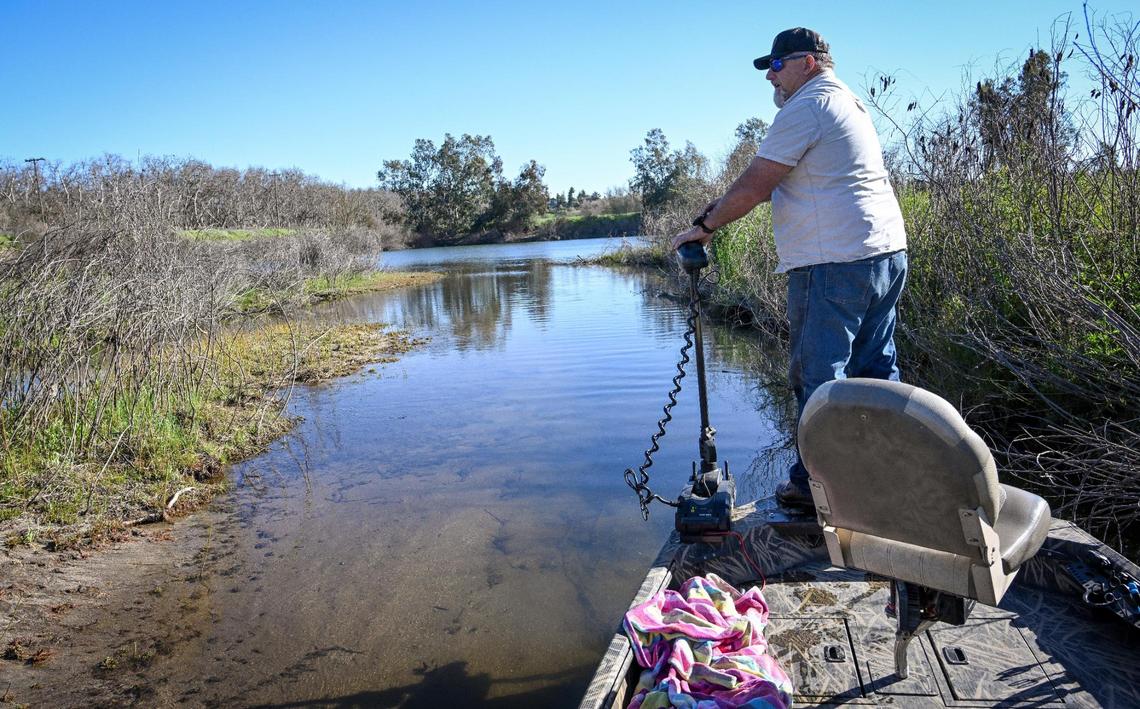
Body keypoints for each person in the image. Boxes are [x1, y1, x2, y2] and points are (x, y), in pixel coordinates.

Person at [670, 27, 908, 509]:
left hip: (834, 263)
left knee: (820, 378)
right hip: (884, 256)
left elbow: (757, 183)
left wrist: (706, 225)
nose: (771, 79)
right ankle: (887, 478)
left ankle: (814, 487)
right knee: (876, 373)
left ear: (810, 63)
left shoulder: (810, 105)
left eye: (777, 67)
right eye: (768, 70)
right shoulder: (850, 103)